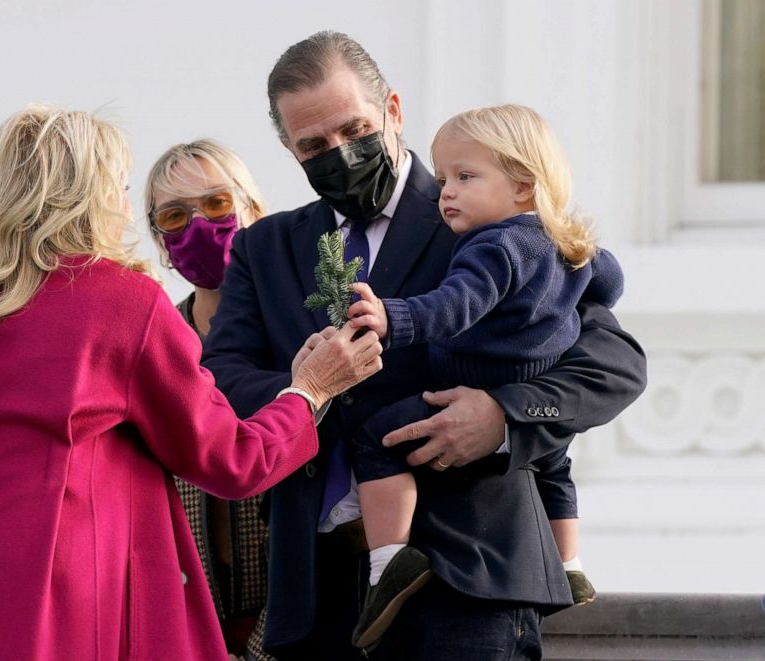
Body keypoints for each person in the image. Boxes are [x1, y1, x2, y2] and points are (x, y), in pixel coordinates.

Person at [0, 106, 383, 661]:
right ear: (89, 197)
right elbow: (232, 460)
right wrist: (308, 391)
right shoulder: (122, 304)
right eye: (119, 187)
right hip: (45, 595)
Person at [202, 31, 647, 660]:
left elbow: (614, 364)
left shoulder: (486, 211)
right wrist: (308, 387)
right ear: (288, 148)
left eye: (354, 129)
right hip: (318, 590)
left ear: (394, 111)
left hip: (468, 578)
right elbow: (219, 377)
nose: (339, 153)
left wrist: (501, 416)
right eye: (313, 145)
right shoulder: (265, 247)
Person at [345, 104, 619, 650]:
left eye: (466, 177)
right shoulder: (568, 244)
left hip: (472, 391)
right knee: (553, 467)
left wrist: (391, 318)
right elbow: (607, 280)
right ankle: (570, 565)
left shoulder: (493, 246)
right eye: (444, 177)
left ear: (523, 185)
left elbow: (456, 304)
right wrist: (571, 303)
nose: (447, 191)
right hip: (529, 391)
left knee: (375, 436)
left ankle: (390, 561)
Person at [143, 139, 275, 661]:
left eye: (217, 204)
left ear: (253, 209)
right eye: (175, 215)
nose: (198, 226)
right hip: (188, 625)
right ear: (160, 239)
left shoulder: (299, 333)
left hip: (294, 625)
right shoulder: (152, 343)